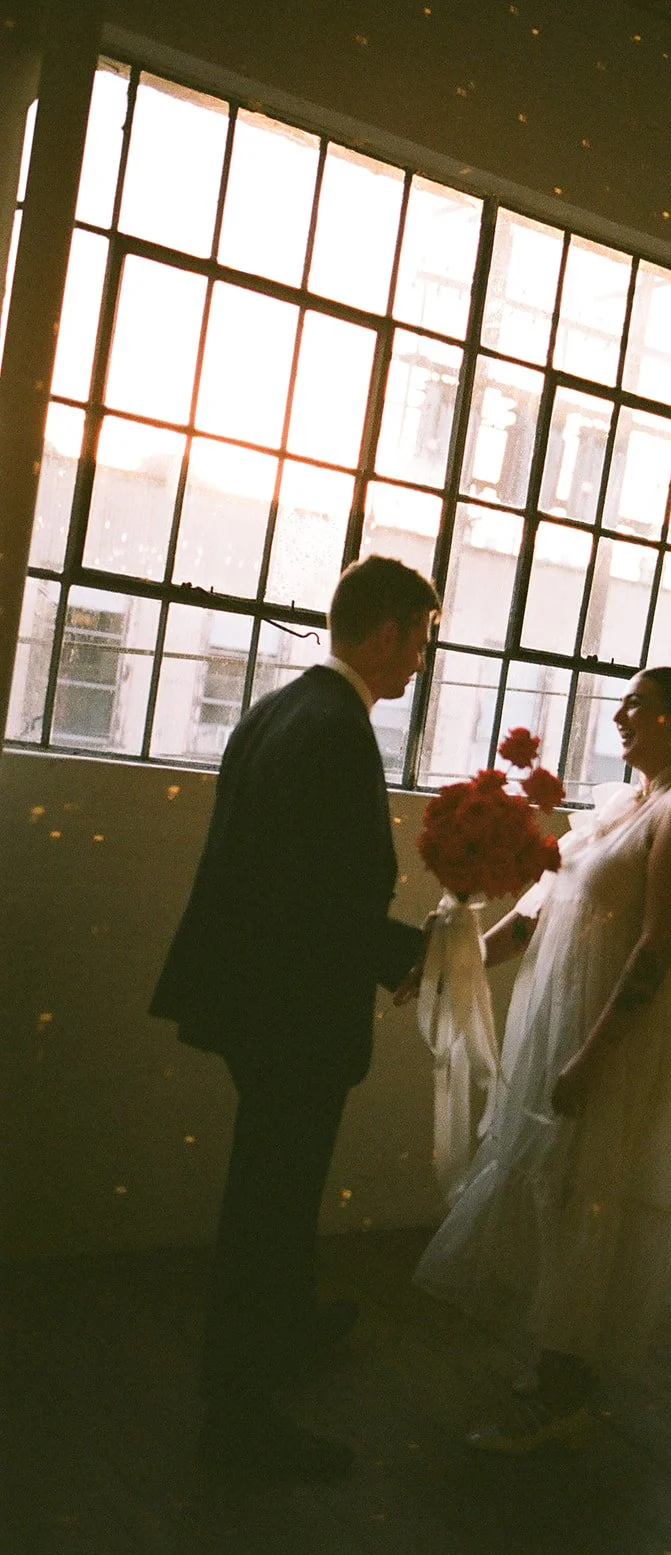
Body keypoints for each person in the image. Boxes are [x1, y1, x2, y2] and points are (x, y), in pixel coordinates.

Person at [151, 555, 439, 1480]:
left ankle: (284, 1323)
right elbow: (318, 897)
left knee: (276, 1182)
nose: (422, 663)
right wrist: (416, 954)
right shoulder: (333, 728)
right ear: (387, 630)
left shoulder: (284, 708)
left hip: (255, 996)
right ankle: (237, 1414)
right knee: (271, 1194)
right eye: (422, 640)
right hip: (290, 1009)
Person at [412, 666, 671, 1453]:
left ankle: (565, 1387)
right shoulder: (624, 802)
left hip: (617, 1036)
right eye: (624, 703)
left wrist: (594, 1057)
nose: (622, 715)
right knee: (555, 1185)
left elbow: (659, 948)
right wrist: (443, 969)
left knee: (595, 1187)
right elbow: (532, 917)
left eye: (639, 705)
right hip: (560, 1018)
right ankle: (556, 1364)